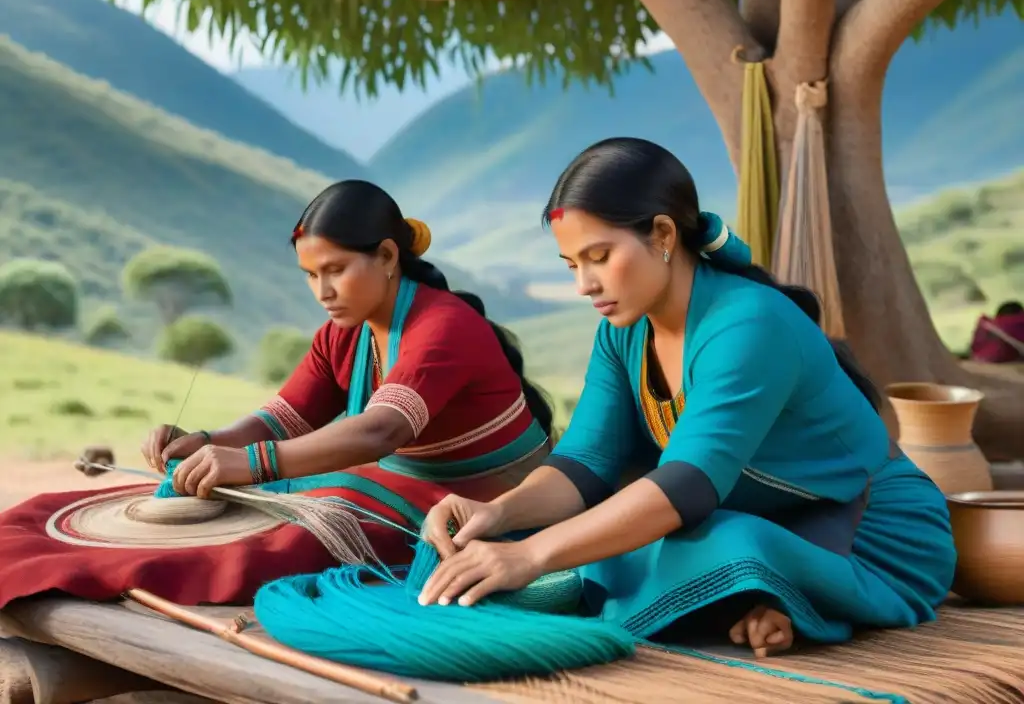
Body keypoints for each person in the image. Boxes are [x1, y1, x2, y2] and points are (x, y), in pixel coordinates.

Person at [415, 138, 957, 659]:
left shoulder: (748, 324)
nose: (584, 284)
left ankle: (777, 592)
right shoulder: (623, 332)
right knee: (593, 534)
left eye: (599, 256)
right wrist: (496, 512)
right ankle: (761, 600)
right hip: (749, 519)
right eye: (571, 264)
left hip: (865, 532)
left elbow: (686, 487)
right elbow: (584, 463)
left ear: (663, 235)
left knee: (692, 541)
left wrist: (530, 555)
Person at [0, 180, 553, 608]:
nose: (323, 291)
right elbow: (282, 418)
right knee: (241, 502)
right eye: (310, 275)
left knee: (291, 525)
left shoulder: (443, 327)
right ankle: (30, 550)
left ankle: (77, 577)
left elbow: (380, 430)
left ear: (387, 257)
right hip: (403, 493)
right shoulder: (345, 332)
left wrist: (247, 463)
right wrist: (204, 443)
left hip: (480, 510)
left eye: (335, 270)